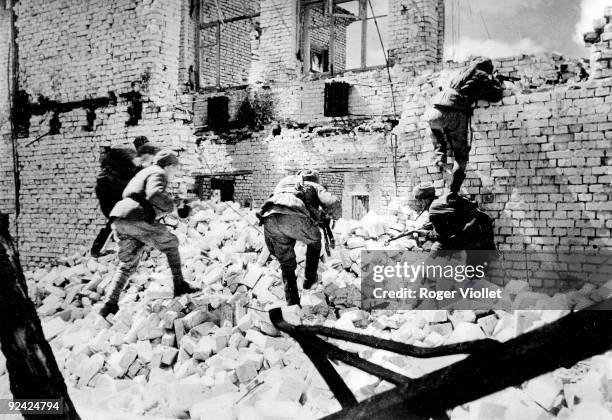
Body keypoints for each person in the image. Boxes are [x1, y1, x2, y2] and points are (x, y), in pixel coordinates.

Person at [99, 150, 197, 317]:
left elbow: (145, 198)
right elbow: (155, 195)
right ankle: (180, 285)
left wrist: (175, 203)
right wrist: (174, 205)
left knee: (128, 263)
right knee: (171, 243)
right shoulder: (158, 172)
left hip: (120, 218)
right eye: (175, 169)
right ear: (169, 166)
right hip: (137, 217)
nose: (175, 174)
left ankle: (109, 304)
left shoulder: (144, 173)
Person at [258, 170, 341, 306]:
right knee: (315, 240)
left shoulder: (284, 183)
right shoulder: (312, 185)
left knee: (287, 265)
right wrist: (335, 216)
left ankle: (293, 304)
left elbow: (271, 201)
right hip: (294, 215)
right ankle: (309, 281)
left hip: (269, 218)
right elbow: (332, 201)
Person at [425, 57, 504, 195]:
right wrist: (496, 80)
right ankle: (453, 193)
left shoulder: (459, 72)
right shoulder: (481, 74)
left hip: (434, 111)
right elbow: (496, 96)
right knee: (461, 157)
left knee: (438, 131)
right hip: (455, 111)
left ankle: (440, 155)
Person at [91, 147, 138, 257]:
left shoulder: (119, 170)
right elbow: (120, 184)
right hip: (109, 199)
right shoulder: (107, 177)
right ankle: (97, 250)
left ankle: (98, 249)